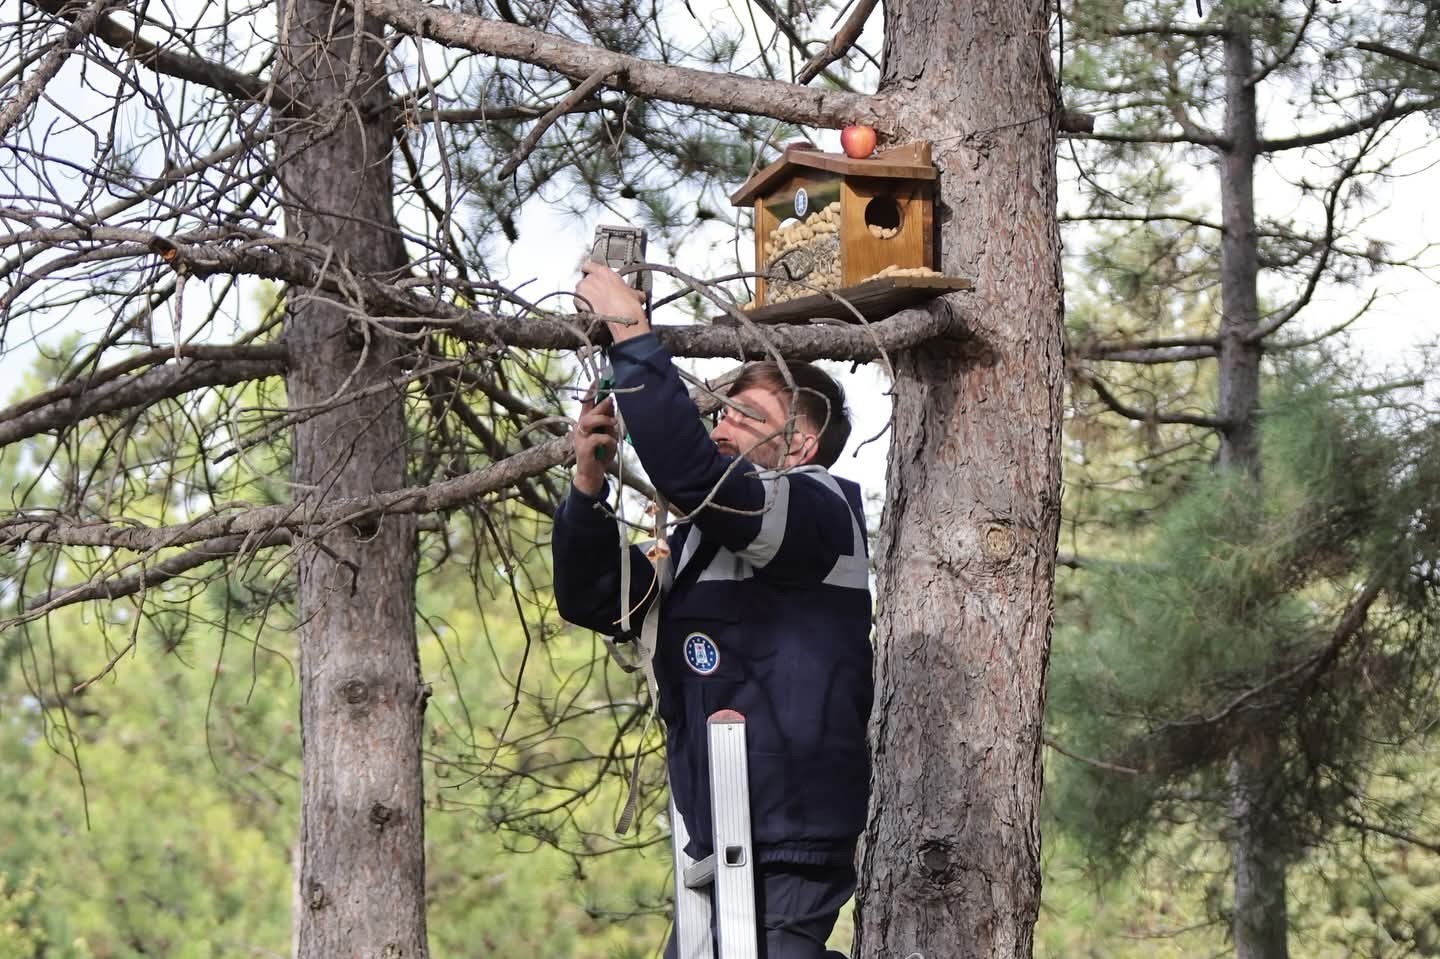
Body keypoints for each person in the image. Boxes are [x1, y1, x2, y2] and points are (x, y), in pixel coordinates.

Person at [551, 261, 873, 959]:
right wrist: (588, 480)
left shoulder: (817, 508)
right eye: (721, 412)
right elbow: (592, 595)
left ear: (799, 445)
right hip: (714, 841)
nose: (722, 427)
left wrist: (631, 330)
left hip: (788, 839)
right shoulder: (701, 540)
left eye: (747, 417)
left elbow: (694, 473)